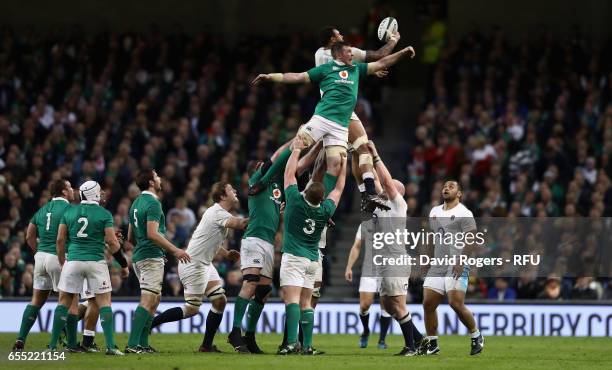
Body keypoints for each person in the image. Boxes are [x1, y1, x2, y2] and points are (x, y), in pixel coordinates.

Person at [249, 41, 415, 214]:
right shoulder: (325, 69)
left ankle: (319, 207)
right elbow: (298, 77)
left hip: (341, 126)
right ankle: (266, 180)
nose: (352, 54)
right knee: (297, 145)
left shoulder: (356, 68)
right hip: (322, 118)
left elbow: (382, 63)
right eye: (349, 51)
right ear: (338, 54)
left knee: (335, 165)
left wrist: (403, 52)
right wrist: (271, 76)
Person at [228, 141, 321, 354]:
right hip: (254, 239)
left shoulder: (277, 186)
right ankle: (235, 332)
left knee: (263, 291)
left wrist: (316, 147)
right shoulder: (257, 181)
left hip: (268, 243)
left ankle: (249, 336)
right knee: (251, 283)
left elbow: (300, 165)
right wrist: (297, 141)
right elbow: (278, 155)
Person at [152, 182, 248, 353]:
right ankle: (151, 324)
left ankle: (206, 346)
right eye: (230, 189)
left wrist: (225, 254)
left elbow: (207, 240)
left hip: (203, 263)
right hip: (193, 264)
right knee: (191, 308)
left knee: (220, 301)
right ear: (222, 196)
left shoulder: (216, 212)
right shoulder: (217, 211)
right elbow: (240, 224)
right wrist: (263, 214)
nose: (234, 190)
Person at [315, 25, 401, 212]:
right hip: (334, 112)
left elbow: (343, 71)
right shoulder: (345, 52)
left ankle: (367, 193)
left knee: (359, 149)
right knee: (326, 161)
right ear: (332, 40)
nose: (343, 35)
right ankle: (319, 205)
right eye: (339, 34)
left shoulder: (320, 54)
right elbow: (379, 55)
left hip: (337, 111)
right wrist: (393, 40)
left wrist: (367, 70)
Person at [277, 137, 346, 355]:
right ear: (321, 197)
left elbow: (289, 174)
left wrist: (296, 150)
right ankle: (306, 345)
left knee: (292, 301)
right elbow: (340, 188)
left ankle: (290, 343)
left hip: (294, 258)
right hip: (312, 259)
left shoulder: (295, 202)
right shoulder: (325, 210)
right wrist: (344, 167)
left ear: (305, 192)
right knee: (307, 303)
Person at [47, 181, 128, 355]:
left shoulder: (69, 211)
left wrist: (62, 261)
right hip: (95, 261)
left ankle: (52, 346)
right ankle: (111, 347)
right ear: (95, 194)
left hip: (73, 260)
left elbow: (60, 240)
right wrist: (123, 263)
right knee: (104, 302)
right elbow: (112, 243)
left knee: (64, 303)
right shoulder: (104, 213)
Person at [366, 141, 424, 356]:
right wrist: (363, 155)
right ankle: (421, 340)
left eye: (389, 187)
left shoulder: (398, 205)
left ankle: (411, 347)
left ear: (398, 193)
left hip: (395, 260)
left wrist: (376, 154)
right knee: (387, 306)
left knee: (398, 306)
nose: (383, 187)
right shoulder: (382, 203)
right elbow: (375, 178)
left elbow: (387, 183)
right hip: (383, 262)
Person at [125, 169, 191, 353]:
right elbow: (152, 234)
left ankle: (143, 344)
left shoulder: (135, 204)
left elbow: (130, 238)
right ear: (152, 183)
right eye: (156, 176)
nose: (159, 179)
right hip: (150, 256)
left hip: (139, 256)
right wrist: (176, 250)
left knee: (155, 298)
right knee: (148, 300)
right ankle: (132, 345)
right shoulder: (153, 203)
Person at [420, 180, 484, 356]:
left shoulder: (464, 212)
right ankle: (433, 344)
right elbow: (430, 237)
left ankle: (476, 334)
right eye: (445, 186)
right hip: (438, 264)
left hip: (457, 262)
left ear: (459, 193)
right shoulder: (434, 211)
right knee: (428, 304)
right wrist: (426, 259)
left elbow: (471, 238)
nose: (446, 188)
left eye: (451, 186)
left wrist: (461, 260)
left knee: (455, 303)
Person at [13, 179, 74, 351]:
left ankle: (20, 339)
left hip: (40, 257)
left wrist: (37, 251)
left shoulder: (42, 210)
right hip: (59, 257)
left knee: (36, 300)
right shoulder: (69, 209)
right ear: (63, 192)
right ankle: (58, 344)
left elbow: (29, 235)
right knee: (68, 299)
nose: (72, 190)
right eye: (69, 187)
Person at [344, 223, 392, 349]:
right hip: (369, 270)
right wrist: (349, 267)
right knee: (365, 305)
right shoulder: (365, 225)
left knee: (386, 305)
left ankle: (382, 340)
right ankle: (365, 331)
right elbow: (357, 246)